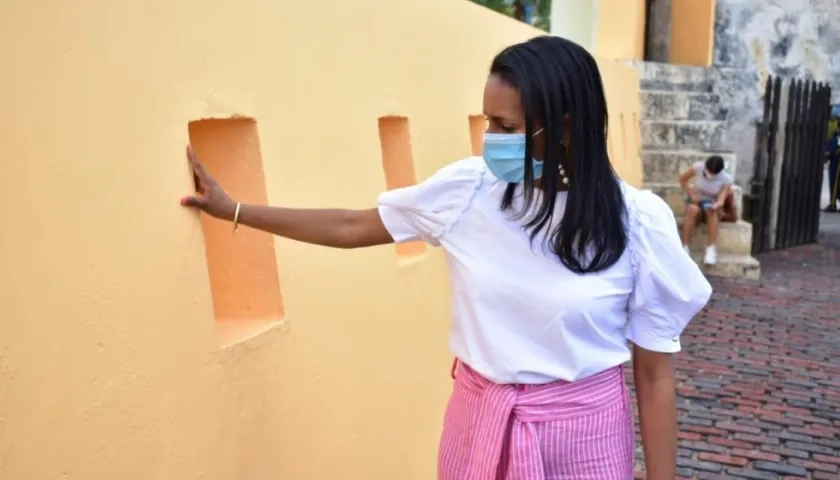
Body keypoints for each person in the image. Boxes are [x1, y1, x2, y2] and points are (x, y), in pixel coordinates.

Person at [181, 36, 712, 480]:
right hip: (478, 424)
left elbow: (654, 375)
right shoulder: (468, 192)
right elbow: (353, 225)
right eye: (488, 122)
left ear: (566, 128)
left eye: (506, 127)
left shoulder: (633, 222)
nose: (490, 141)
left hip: (582, 439)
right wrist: (237, 209)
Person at [679, 155, 733, 265]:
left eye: (713, 174)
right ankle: (684, 246)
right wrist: (692, 194)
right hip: (696, 201)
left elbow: (721, 199)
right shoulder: (698, 168)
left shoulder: (726, 179)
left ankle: (710, 249)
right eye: (708, 171)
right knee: (692, 209)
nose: (710, 175)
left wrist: (717, 205)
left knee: (711, 211)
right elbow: (682, 180)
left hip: (711, 204)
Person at [825, 122, 839, 212]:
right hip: (835, 163)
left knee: (834, 183)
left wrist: (828, 152)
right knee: (834, 183)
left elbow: (834, 148)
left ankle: (833, 204)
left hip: (836, 164)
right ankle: (833, 203)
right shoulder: (836, 137)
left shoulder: (837, 137)